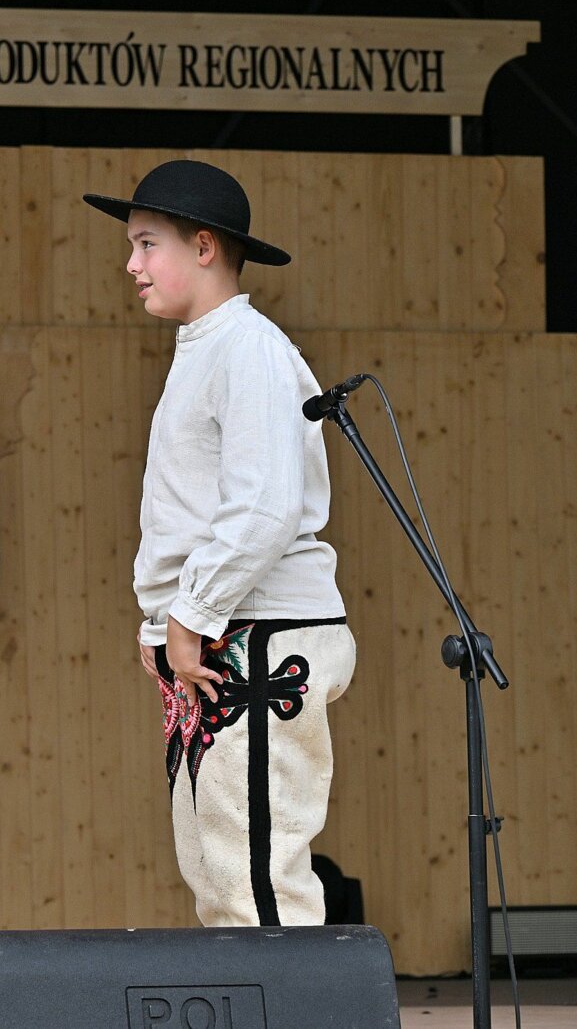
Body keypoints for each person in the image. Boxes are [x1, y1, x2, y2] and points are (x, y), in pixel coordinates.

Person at [83, 160, 355, 927]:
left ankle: (287, 997)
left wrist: (189, 612)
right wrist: (163, 619)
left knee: (258, 877)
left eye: (147, 244)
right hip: (220, 631)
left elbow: (264, 506)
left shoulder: (248, 347)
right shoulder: (207, 346)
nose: (131, 264)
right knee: (219, 872)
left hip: (259, 633)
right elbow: (193, 511)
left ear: (204, 247)